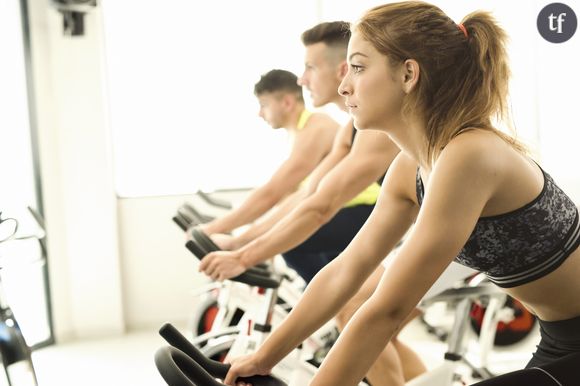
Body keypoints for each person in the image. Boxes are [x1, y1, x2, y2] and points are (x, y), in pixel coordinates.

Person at [223, 2, 580, 386]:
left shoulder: (469, 155)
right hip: (559, 340)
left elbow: (387, 310)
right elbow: (346, 270)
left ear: (408, 74)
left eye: (358, 67)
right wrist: (264, 357)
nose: (345, 86)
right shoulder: (409, 169)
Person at [199, 22, 426, 386]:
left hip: (465, 244)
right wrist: (241, 245)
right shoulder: (350, 128)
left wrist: (242, 253)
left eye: (310, 68)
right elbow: (309, 196)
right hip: (421, 234)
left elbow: (318, 204)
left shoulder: (375, 130)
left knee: (354, 311)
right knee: (363, 319)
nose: (302, 80)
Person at [198, 69, 339, 236]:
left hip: (353, 208)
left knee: (288, 240)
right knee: (278, 235)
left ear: (287, 103)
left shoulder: (317, 128)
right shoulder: (296, 134)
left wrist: (212, 229)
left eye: (264, 105)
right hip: (334, 206)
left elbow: (272, 193)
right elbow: (286, 193)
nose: (259, 113)